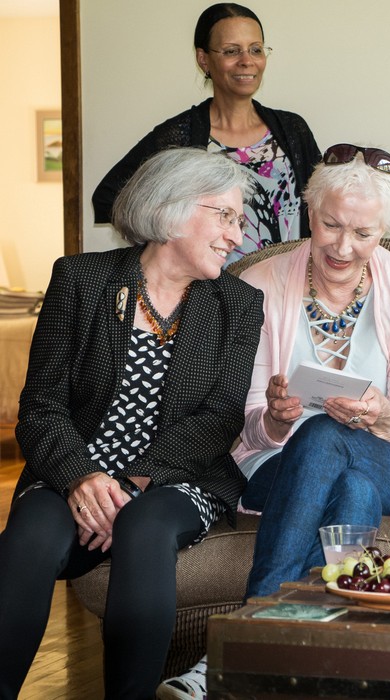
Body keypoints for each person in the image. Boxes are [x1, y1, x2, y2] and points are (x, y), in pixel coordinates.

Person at [157, 144, 390, 700]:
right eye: (332, 225)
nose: (343, 245)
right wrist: (279, 418)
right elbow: (247, 423)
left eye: (364, 233)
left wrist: (376, 410)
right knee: (342, 475)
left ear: (385, 230)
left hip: (387, 455)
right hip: (275, 459)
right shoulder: (259, 284)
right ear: (310, 212)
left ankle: (242, 636)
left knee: (333, 438)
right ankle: (326, 667)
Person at [0, 148, 264, 699]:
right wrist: (83, 478)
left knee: (145, 526)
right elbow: (42, 406)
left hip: (177, 479)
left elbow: (218, 419)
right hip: (71, 473)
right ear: (169, 209)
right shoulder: (81, 280)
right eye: (225, 216)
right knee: (28, 536)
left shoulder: (238, 305)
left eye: (239, 221)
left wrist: (128, 484)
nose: (236, 236)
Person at [92, 3, 321, 267]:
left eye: (256, 49)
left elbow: (321, 204)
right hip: (213, 297)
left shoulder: (292, 129)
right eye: (232, 51)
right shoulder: (181, 136)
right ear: (204, 60)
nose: (247, 61)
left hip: (287, 290)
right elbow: (110, 196)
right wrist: (170, 248)